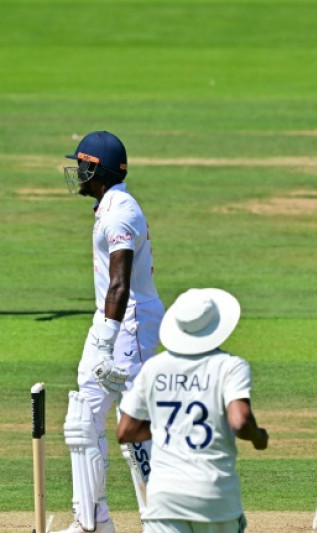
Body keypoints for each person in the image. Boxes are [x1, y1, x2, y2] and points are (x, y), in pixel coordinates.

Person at [57, 131, 162, 533]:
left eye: (81, 165)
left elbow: (120, 283)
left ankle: (162, 521)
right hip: (112, 320)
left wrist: (105, 343)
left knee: (132, 425)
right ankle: (92, 523)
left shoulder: (121, 213)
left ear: (95, 169)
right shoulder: (110, 205)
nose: (76, 172)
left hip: (128, 324)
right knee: (83, 417)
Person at [117, 288, 269, 533]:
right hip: (213, 496)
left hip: (164, 497)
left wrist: (170, 428)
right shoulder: (230, 367)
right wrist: (259, 437)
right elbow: (240, 422)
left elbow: (126, 431)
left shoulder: (153, 368)